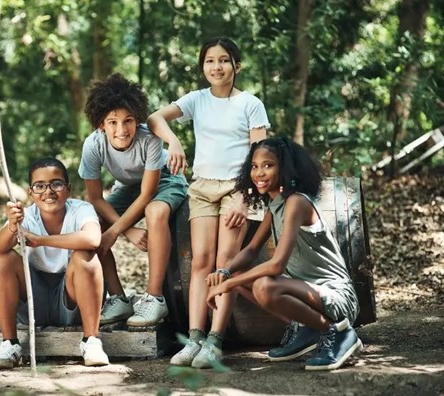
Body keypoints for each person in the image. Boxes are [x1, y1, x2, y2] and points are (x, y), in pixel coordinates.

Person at [147, 37, 270, 368]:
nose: (217, 67)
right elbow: (155, 118)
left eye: (224, 60)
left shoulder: (250, 104)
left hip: (237, 189)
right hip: (202, 187)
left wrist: (246, 198)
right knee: (200, 261)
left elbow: (260, 156)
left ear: (236, 66)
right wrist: (173, 142)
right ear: (203, 67)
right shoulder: (197, 100)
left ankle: (215, 342)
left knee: (224, 262)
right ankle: (195, 338)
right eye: (210, 61)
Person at [205, 136, 362, 371]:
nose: (259, 173)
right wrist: (224, 272)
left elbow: (277, 265)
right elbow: (250, 250)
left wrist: (225, 285)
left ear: (285, 168)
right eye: (255, 166)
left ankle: (337, 332)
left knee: (264, 287)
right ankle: (305, 328)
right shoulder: (275, 205)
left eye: (268, 165)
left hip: (336, 296)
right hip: (307, 292)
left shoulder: (296, 202)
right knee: (238, 278)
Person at [78, 73, 189, 327]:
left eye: (128, 121)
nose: (121, 129)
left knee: (155, 212)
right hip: (128, 188)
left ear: (137, 119)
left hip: (166, 180)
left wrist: (117, 230)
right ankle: (118, 299)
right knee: (93, 224)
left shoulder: (149, 139)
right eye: (113, 122)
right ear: (100, 124)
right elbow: (94, 198)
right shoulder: (93, 145)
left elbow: (148, 194)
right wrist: (125, 230)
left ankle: (155, 298)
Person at [0, 157, 109, 369]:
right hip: (35, 300)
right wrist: (12, 226)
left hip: (72, 298)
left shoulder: (81, 209)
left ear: (68, 189)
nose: (48, 191)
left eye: (57, 184)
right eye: (40, 186)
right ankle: (10, 344)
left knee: (85, 256)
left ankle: (91, 341)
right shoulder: (26, 215)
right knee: (2, 258)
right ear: (30, 193)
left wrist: (40, 240)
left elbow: (92, 239)